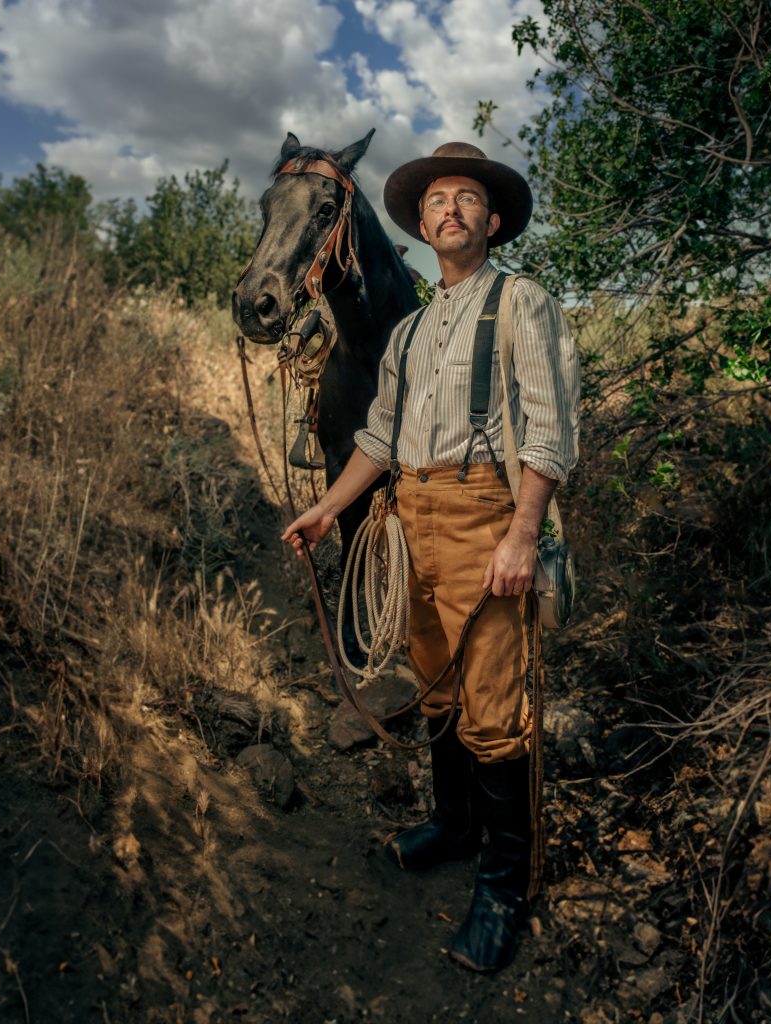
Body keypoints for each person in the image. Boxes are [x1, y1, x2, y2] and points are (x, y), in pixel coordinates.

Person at [282, 142, 580, 972]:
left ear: (492, 220)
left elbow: (551, 433)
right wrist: (327, 508)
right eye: (438, 200)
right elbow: (378, 437)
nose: (451, 209)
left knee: (496, 707)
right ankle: (454, 825)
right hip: (408, 517)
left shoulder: (523, 304)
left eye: (467, 199)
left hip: (488, 517)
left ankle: (504, 883)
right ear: (420, 222)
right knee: (439, 688)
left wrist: (523, 534)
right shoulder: (408, 331)